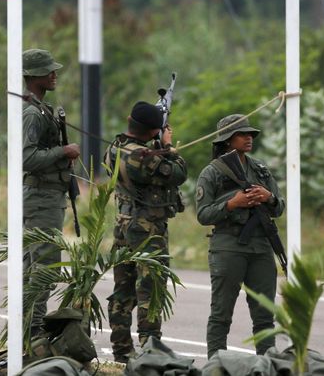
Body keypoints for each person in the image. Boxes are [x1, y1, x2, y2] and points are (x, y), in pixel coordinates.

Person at [195, 114, 286, 360]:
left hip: (261, 247)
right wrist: (232, 204)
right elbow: (203, 214)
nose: (248, 138)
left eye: (251, 135)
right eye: (242, 135)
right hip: (228, 246)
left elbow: (279, 208)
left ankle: (268, 364)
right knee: (221, 312)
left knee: (265, 314)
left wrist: (268, 197)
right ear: (227, 140)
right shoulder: (212, 173)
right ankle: (216, 363)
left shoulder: (260, 170)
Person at [106, 101, 188, 363]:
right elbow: (178, 173)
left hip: (122, 223)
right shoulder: (146, 158)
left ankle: (120, 348)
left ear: (130, 120)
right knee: (150, 288)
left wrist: (156, 143)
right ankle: (150, 348)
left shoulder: (115, 148)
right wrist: (167, 147)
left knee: (123, 288)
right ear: (153, 131)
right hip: (147, 228)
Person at [21, 48, 80, 336]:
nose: (54, 74)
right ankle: (32, 331)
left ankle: (28, 328)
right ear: (33, 76)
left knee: (36, 266)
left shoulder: (42, 107)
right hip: (42, 198)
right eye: (48, 71)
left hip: (48, 197)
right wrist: (63, 151)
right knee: (44, 267)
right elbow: (27, 158)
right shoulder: (32, 113)